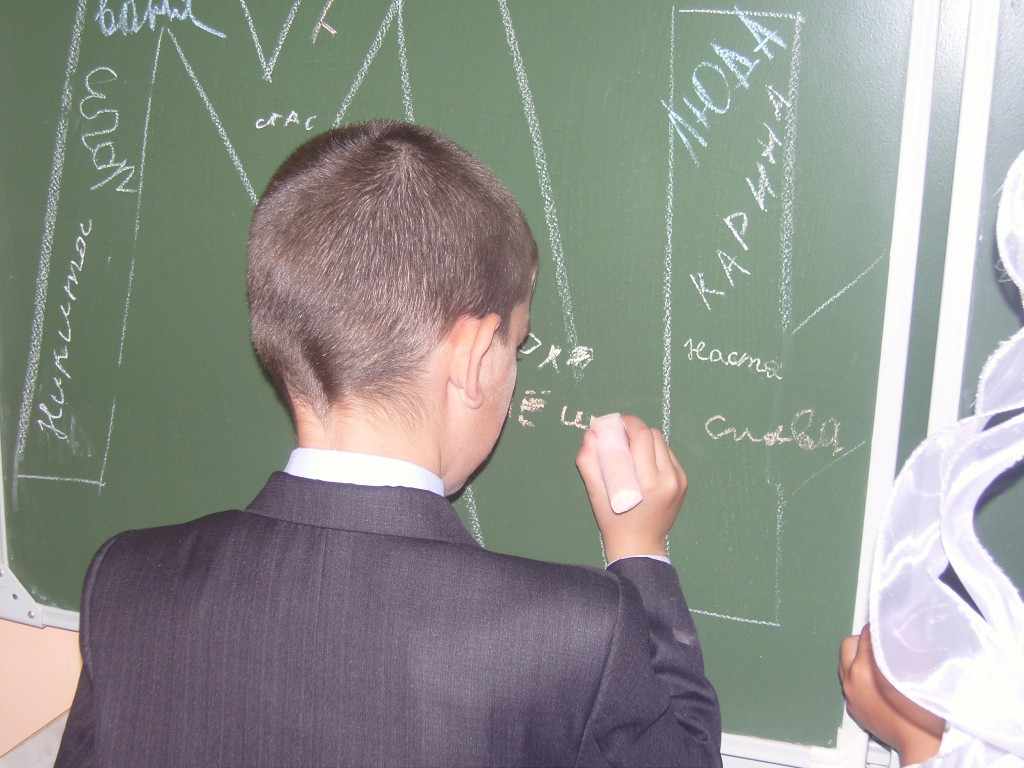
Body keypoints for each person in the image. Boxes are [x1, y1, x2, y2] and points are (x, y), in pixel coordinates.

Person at [55, 119, 722, 767]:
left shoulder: (127, 582)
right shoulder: (571, 634)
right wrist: (640, 552)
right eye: (516, 346)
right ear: (473, 357)